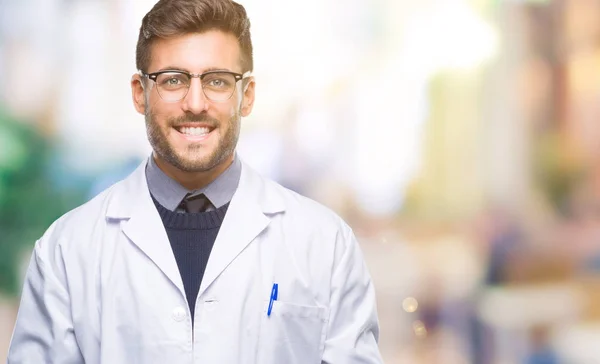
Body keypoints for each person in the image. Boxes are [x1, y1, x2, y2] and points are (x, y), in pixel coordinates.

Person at [7, 0, 383, 363]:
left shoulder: (325, 244)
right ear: (140, 94)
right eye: (173, 80)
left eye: (217, 81)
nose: (196, 103)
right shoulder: (67, 251)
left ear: (246, 96)